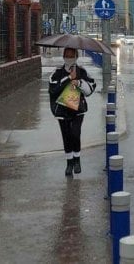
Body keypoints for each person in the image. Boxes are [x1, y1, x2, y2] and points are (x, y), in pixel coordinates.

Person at [49, 47, 96, 176]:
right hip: (62, 111)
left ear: (76, 56)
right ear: (63, 56)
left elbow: (90, 89)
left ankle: (77, 160)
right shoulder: (57, 73)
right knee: (66, 135)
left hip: (78, 110)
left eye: (72, 55)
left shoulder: (82, 71)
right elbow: (53, 89)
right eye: (67, 55)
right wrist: (69, 78)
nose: (69, 58)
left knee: (75, 134)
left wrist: (79, 82)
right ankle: (69, 163)